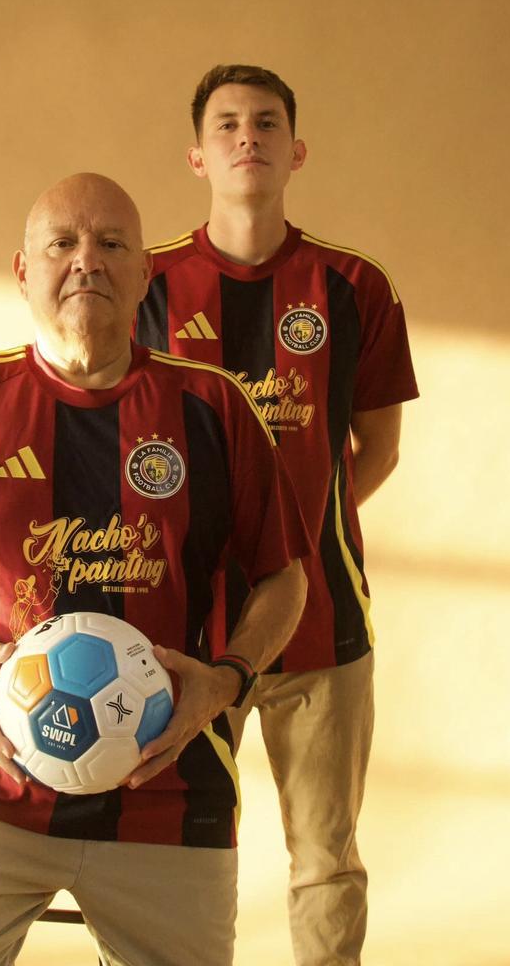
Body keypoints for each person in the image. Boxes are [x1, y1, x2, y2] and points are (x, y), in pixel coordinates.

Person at [0, 171, 311, 966]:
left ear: (145, 272)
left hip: (171, 797)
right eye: (62, 244)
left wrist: (228, 678)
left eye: (111, 244)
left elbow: (287, 577)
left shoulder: (214, 410)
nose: (86, 262)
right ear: (23, 270)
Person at [135, 65, 419, 966]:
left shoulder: (353, 287)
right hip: (187, 626)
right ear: (197, 155)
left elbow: (377, 448)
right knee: (170, 856)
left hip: (326, 623)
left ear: (296, 150)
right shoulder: (147, 285)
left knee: (324, 861)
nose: (246, 137)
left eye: (265, 123)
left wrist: (291, 541)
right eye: (226, 125)